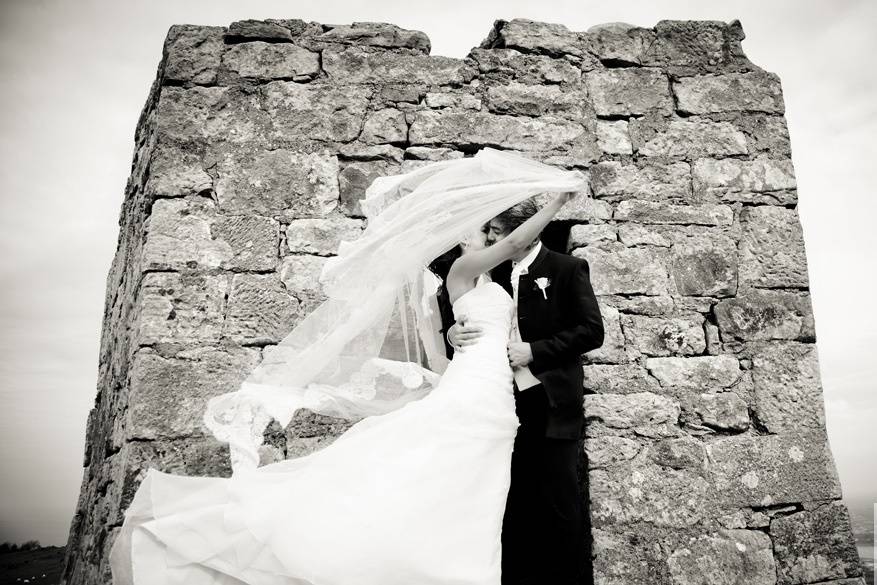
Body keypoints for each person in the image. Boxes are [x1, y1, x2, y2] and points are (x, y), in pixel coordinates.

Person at [108, 189, 582, 585]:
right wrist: (556, 200)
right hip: (476, 387)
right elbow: (520, 238)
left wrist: (464, 331)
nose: (496, 237)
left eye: (493, 232)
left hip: (495, 390)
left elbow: (500, 307)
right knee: (455, 466)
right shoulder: (463, 271)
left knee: (474, 481)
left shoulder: (485, 279)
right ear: (472, 240)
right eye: (487, 231)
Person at [447, 200, 605, 585]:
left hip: (550, 402)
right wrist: (451, 334)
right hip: (503, 404)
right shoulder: (494, 271)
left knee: (559, 502)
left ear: (526, 231)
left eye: (497, 233)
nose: (491, 240)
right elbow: (466, 315)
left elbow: (591, 331)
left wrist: (534, 351)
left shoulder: (566, 268)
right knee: (512, 502)